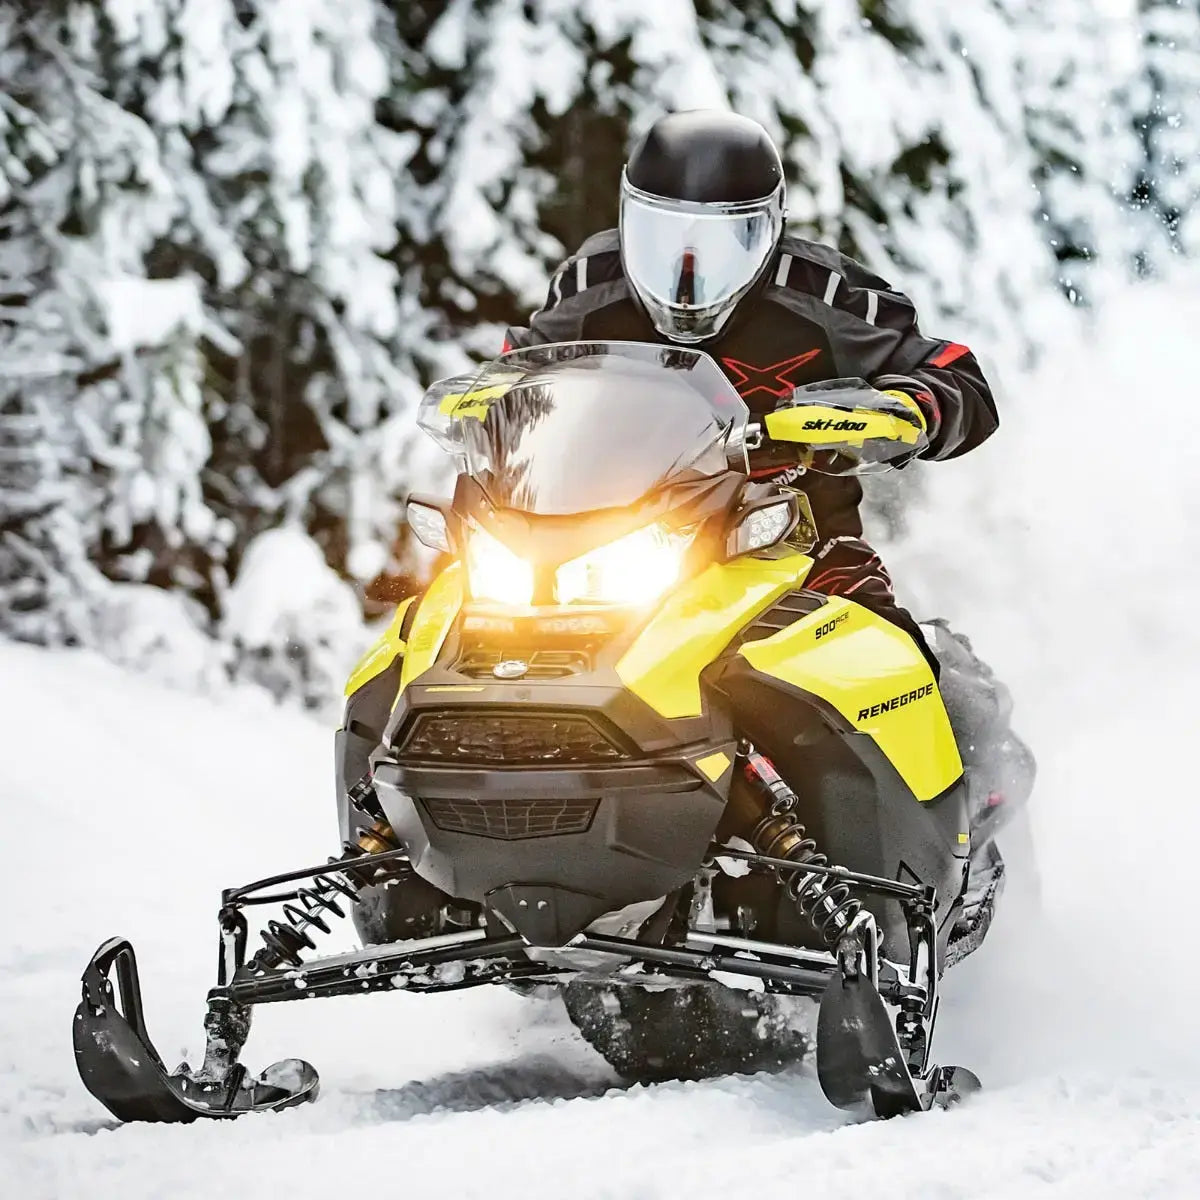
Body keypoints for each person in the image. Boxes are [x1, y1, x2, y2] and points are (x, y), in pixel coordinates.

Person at [503, 109, 998, 672]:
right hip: (604, 547)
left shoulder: (823, 295)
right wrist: (483, 406)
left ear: (768, 228)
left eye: (721, 241)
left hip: (791, 543)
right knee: (450, 637)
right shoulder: (591, 286)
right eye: (661, 234)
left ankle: (958, 747)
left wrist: (909, 406)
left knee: (892, 662)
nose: (686, 268)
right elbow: (519, 369)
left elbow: (955, 372)